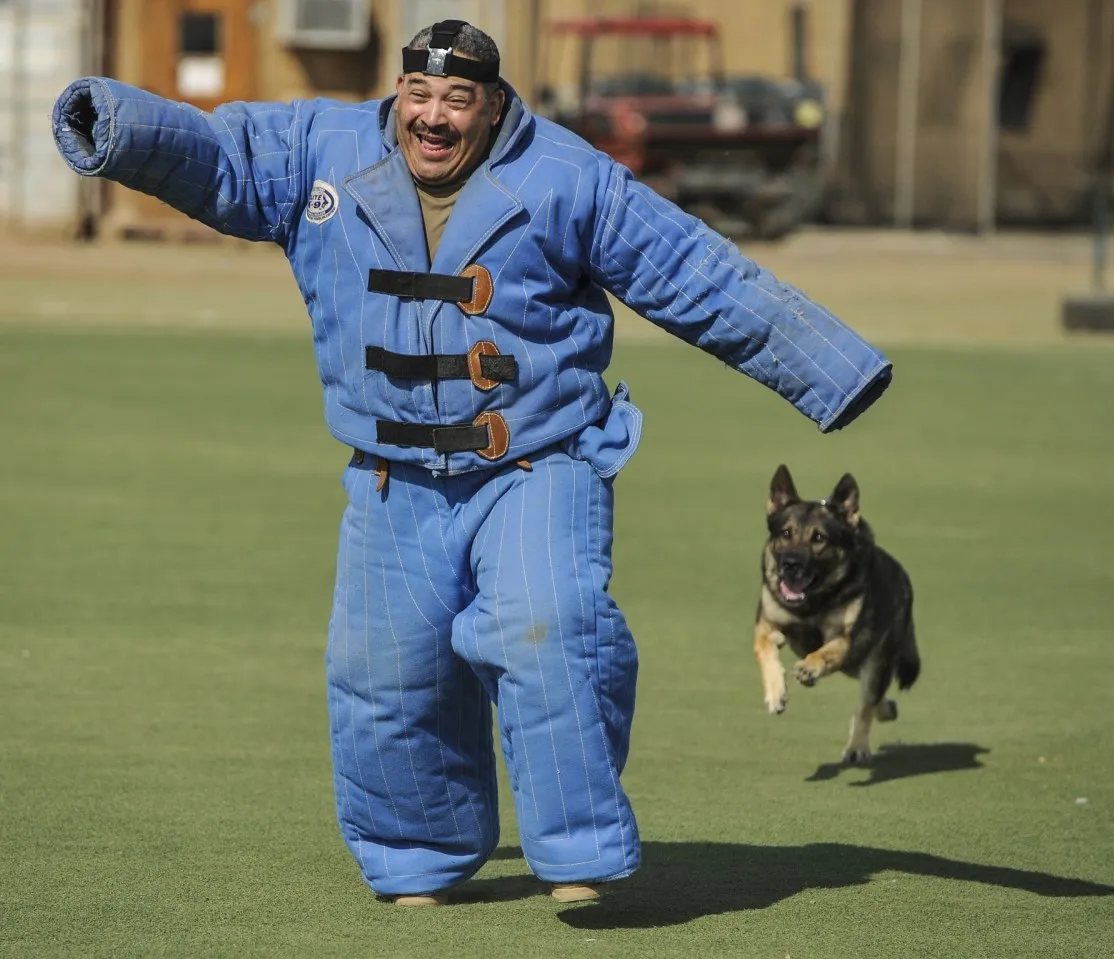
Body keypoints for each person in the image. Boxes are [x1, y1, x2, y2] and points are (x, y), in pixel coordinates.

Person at [50, 20, 892, 906]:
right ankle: (419, 853)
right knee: (386, 672)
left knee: (551, 627)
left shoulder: (568, 177)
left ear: (494, 106)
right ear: (398, 97)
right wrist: (114, 122)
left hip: (538, 462)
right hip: (391, 475)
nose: (434, 117)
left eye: (458, 99)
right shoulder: (319, 152)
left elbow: (695, 272)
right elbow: (219, 154)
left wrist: (833, 370)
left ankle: (577, 854)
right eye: (420, 96)